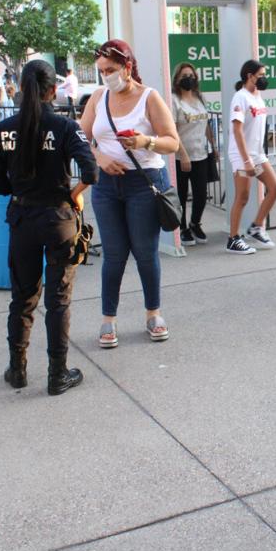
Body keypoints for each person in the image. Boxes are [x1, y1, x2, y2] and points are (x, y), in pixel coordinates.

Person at [0, 59, 96, 395]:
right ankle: (57, 373)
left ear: (21, 87)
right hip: (58, 218)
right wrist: (73, 194)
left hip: (23, 218)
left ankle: (18, 369)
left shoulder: (2, 130)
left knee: (22, 298)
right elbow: (91, 171)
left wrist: (22, 189)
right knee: (58, 300)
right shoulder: (65, 127)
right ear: (52, 90)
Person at [80, 39, 180, 346]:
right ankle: (108, 319)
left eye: (110, 69)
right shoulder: (98, 97)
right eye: (101, 70)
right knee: (113, 254)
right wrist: (99, 157)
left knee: (145, 252)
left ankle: (153, 314)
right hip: (106, 186)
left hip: (143, 182)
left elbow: (172, 142)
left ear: (127, 66)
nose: (106, 76)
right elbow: (80, 137)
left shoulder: (149, 97)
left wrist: (144, 141)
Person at [225, 60, 276, 254]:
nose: (264, 78)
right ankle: (233, 239)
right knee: (242, 196)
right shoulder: (240, 97)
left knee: (275, 188)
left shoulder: (257, 96)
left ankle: (256, 227)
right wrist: (246, 160)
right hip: (242, 155)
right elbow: (237, 130)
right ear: (249, 76)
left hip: (258, 155)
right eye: (261, 75)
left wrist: (255, 157)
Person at [171, 63, 216, 245]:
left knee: (201, 194)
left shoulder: (200, 98)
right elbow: (173, 131)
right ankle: (182, 228)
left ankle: (195, 223)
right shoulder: (174, 100)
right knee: (181, 195)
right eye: (184, 76)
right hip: (180, 157)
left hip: (201, 154)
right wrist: (183, 155)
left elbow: (206, 124)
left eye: (191, 75)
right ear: (177, 79)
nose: (188, 79)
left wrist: (213, 145)